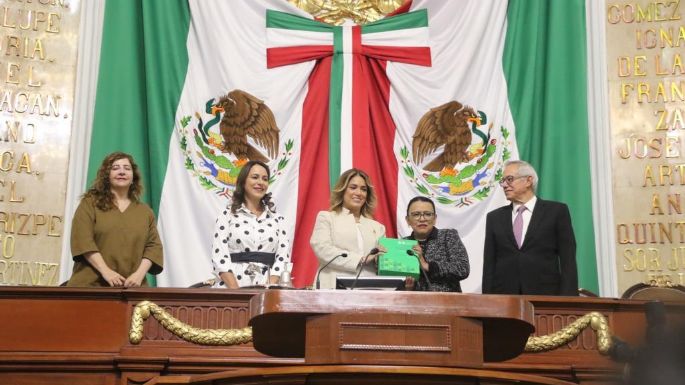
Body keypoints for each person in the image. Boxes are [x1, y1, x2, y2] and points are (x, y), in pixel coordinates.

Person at [482, 160, 578, 295]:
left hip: (546, 295)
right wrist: (488, 301)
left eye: (509, 179)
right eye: (502, 181)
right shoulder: (494, 217)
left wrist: (569, 300)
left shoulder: (556, 211)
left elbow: (568, 259)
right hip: (505, 297)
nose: (504, 185)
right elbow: (489, 265)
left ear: (528, 181)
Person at [67, 152, 163, 287]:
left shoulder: (145, 212)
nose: (122, 172)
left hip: (132, 290)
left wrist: (139, 275)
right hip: (90, 287)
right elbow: (83, 241)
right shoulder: (89, 204)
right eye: (115, 168)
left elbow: (154, 247)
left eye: (127, 168)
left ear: (133, 177)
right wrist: (106, 272)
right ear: (106, 175)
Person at [212, 160, 290, 288]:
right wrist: (236, 293)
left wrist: (267, 290)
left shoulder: (278, 219)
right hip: (231, 289)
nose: (260, 182)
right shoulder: (226, 216)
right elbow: (220, 257)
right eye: (255, 177)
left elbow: (282, 260)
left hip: (267, 290)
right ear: (243, 182)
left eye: (265, 179)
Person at [310, 168, 385, 289]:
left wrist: (382, 260)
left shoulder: (378, 227)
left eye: (364, 189)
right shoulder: (327, 218)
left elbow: (381, 261)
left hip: (369, 291)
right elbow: (322, 249)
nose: (359, 193)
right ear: (342, 190)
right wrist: (361, 259)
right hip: (333, 288)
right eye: (353, 187)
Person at [403, 196, 469, 292]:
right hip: (414, 304)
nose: (422, 219)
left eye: (428, 214)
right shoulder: (403, 243)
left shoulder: (448, 236)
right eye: (416, 214)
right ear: (408, 220)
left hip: (446, 304)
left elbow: (462, 269)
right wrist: (407, 288)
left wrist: (427, 266)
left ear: (435, 218)